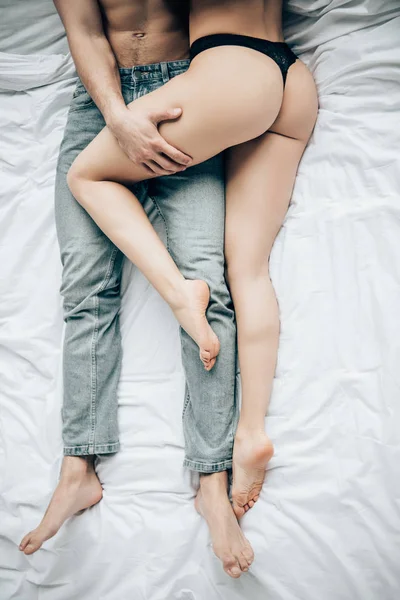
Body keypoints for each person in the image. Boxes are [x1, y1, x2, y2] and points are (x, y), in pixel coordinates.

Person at [20, 0, 252, 579]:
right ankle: (79, 471)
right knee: (85, 290)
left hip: (183, 95)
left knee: (207, 283)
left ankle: (211, 481)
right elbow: (85, 30)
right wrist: (117, 117)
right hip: (100, 100)